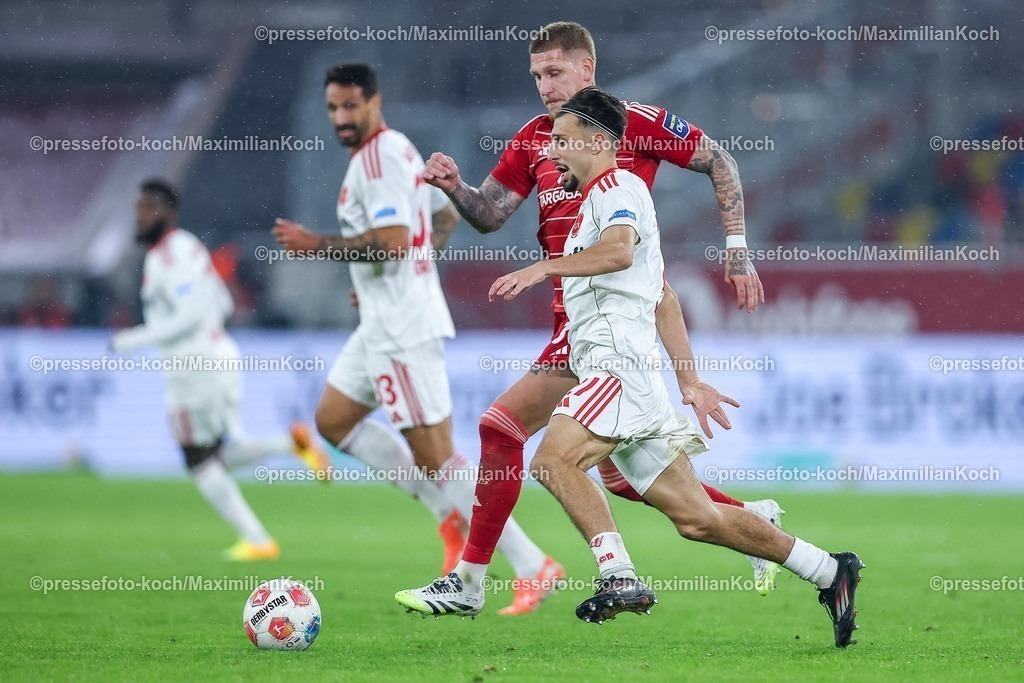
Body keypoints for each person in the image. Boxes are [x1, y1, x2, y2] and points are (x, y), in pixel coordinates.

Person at [400, 88, 864, 648]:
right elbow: (661, 296)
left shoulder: (618, 190)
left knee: (552, 461)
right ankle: (829, 570)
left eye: (563, 142)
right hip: (624, 375)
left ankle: (618, 575)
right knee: (698, 519)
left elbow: (619, 251)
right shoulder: (591, 205)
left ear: (598, 143)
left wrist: (542, 265)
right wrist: (689, 381)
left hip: (616, 371)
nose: (552, 152)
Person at [397, 21, 782, 611]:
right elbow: (492, 213)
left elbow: (721, 162)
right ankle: (754, 525)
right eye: (536, 76)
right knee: (625, 479)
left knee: (501, 430)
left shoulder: (638, 124)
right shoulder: (535, 140)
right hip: (571, 321)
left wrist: (736, 249)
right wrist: (455, 188)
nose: (545, 87)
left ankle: (472, 583)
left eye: (554, 73)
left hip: (608, 327)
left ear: (587, 71)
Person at [272, 64, 562, 614]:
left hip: (402, 329)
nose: (342, 117)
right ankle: (449, 515)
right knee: (333, 421)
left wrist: (318, 245)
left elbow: (393, 239)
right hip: (383, 319)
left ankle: (531, 563)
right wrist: (395, 272)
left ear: (375, 102)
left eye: (352, 105)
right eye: (333, 107)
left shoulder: (380, 158)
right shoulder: (400, 150)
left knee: (436, 456)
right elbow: (438, 216)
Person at [112, 179, 331, 561]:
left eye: (148, 208)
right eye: (138, 208)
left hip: (194, 368)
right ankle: (291, 444)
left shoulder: (167, 256)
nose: (140, 215)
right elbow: (224, 304)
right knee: (213, 455)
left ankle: (258, 540)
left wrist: (132, 339)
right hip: (219, 355)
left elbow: (192, 314)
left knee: (197, 459)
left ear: (168, 212)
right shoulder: (191, 247)